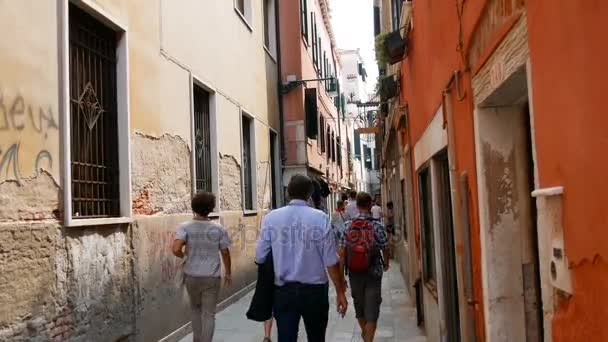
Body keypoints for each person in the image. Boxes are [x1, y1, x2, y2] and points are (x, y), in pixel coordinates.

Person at [255, 174, 348, 342]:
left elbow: (260, 256)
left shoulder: (271, 218)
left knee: (286, 338)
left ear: (288, 193)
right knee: (316, 337)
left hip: (284, 291)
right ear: (309, 194)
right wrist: (340, 292)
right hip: (315, 292)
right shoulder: (320, 218)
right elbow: (330, 261)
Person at [172, 192, 232, 342]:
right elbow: (225, 252)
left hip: (191, 276)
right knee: (209, 314)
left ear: (194, 207)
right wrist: (228, 273)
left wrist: (184, 256)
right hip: (211, 277)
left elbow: (175, 249)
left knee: (195, 309)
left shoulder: (185, 227)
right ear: (211, 208)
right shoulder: (218, 229)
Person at [339, 192, 390, 342]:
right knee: (372, 312)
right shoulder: (377, 226)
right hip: (374, 273)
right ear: (369, 205)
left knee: (360, 310)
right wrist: (386, 263)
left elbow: (341, 253)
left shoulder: (347, 226)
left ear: (357, 206)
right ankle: (368, 338)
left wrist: (342, 277)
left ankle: (365, 335)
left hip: (354, 273)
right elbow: (385, 247)